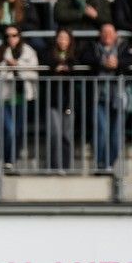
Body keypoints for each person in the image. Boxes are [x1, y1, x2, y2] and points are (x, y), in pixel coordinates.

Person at [0, 24, 39, 169]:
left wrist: (18, 66)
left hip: (22, 97)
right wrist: (4, 67)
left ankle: (13, 160)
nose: (10, 39)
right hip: (4, 97)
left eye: (14, 35)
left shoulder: (28, 52)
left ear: (19, 36)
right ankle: (8, 160)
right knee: (9, 130)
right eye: (7, 36)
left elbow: (34, 73)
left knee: (17, 131)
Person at [41, 29, 85, 173]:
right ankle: (54, 166)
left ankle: (66, 167)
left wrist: (68, 67)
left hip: (68, 101)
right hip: (53, 101)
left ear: (70, 40)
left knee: (67, 134)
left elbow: (80, 65)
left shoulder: (75, 55)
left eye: (65, 38)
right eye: (60, 37)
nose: (62, 41)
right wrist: (55, 67)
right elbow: (45, 61)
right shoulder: (49, 53)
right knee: (55, 133)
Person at [87, 22, 128, 173]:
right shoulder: (93, 47)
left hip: (118, 96)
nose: (107, 36)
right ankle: (101, 163)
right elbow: (85, 58)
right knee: (102, 130)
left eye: (110, 33)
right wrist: (102, 62)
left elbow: (130, 60)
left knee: (117, 133)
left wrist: (118, 63)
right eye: (104, 33)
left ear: (116, 35)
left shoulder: (123, 47)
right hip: (99, 96)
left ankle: (110, 163)